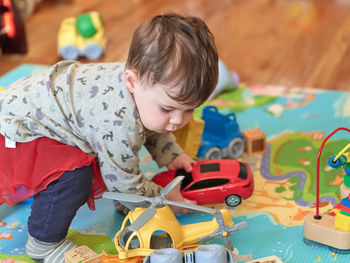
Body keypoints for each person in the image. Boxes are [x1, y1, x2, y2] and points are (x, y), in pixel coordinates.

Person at [0, 12, 218, 262]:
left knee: (117, 149)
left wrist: (171, 153)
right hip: (22, 127)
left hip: (35, 106)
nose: (178, 120)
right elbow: (123, 181)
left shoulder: (144, 87)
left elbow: (153, 126)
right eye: (168, 109)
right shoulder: (118, 121)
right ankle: (44, 243)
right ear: (132, 81)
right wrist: (162, 198)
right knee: (73, 177)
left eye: (189, 109)